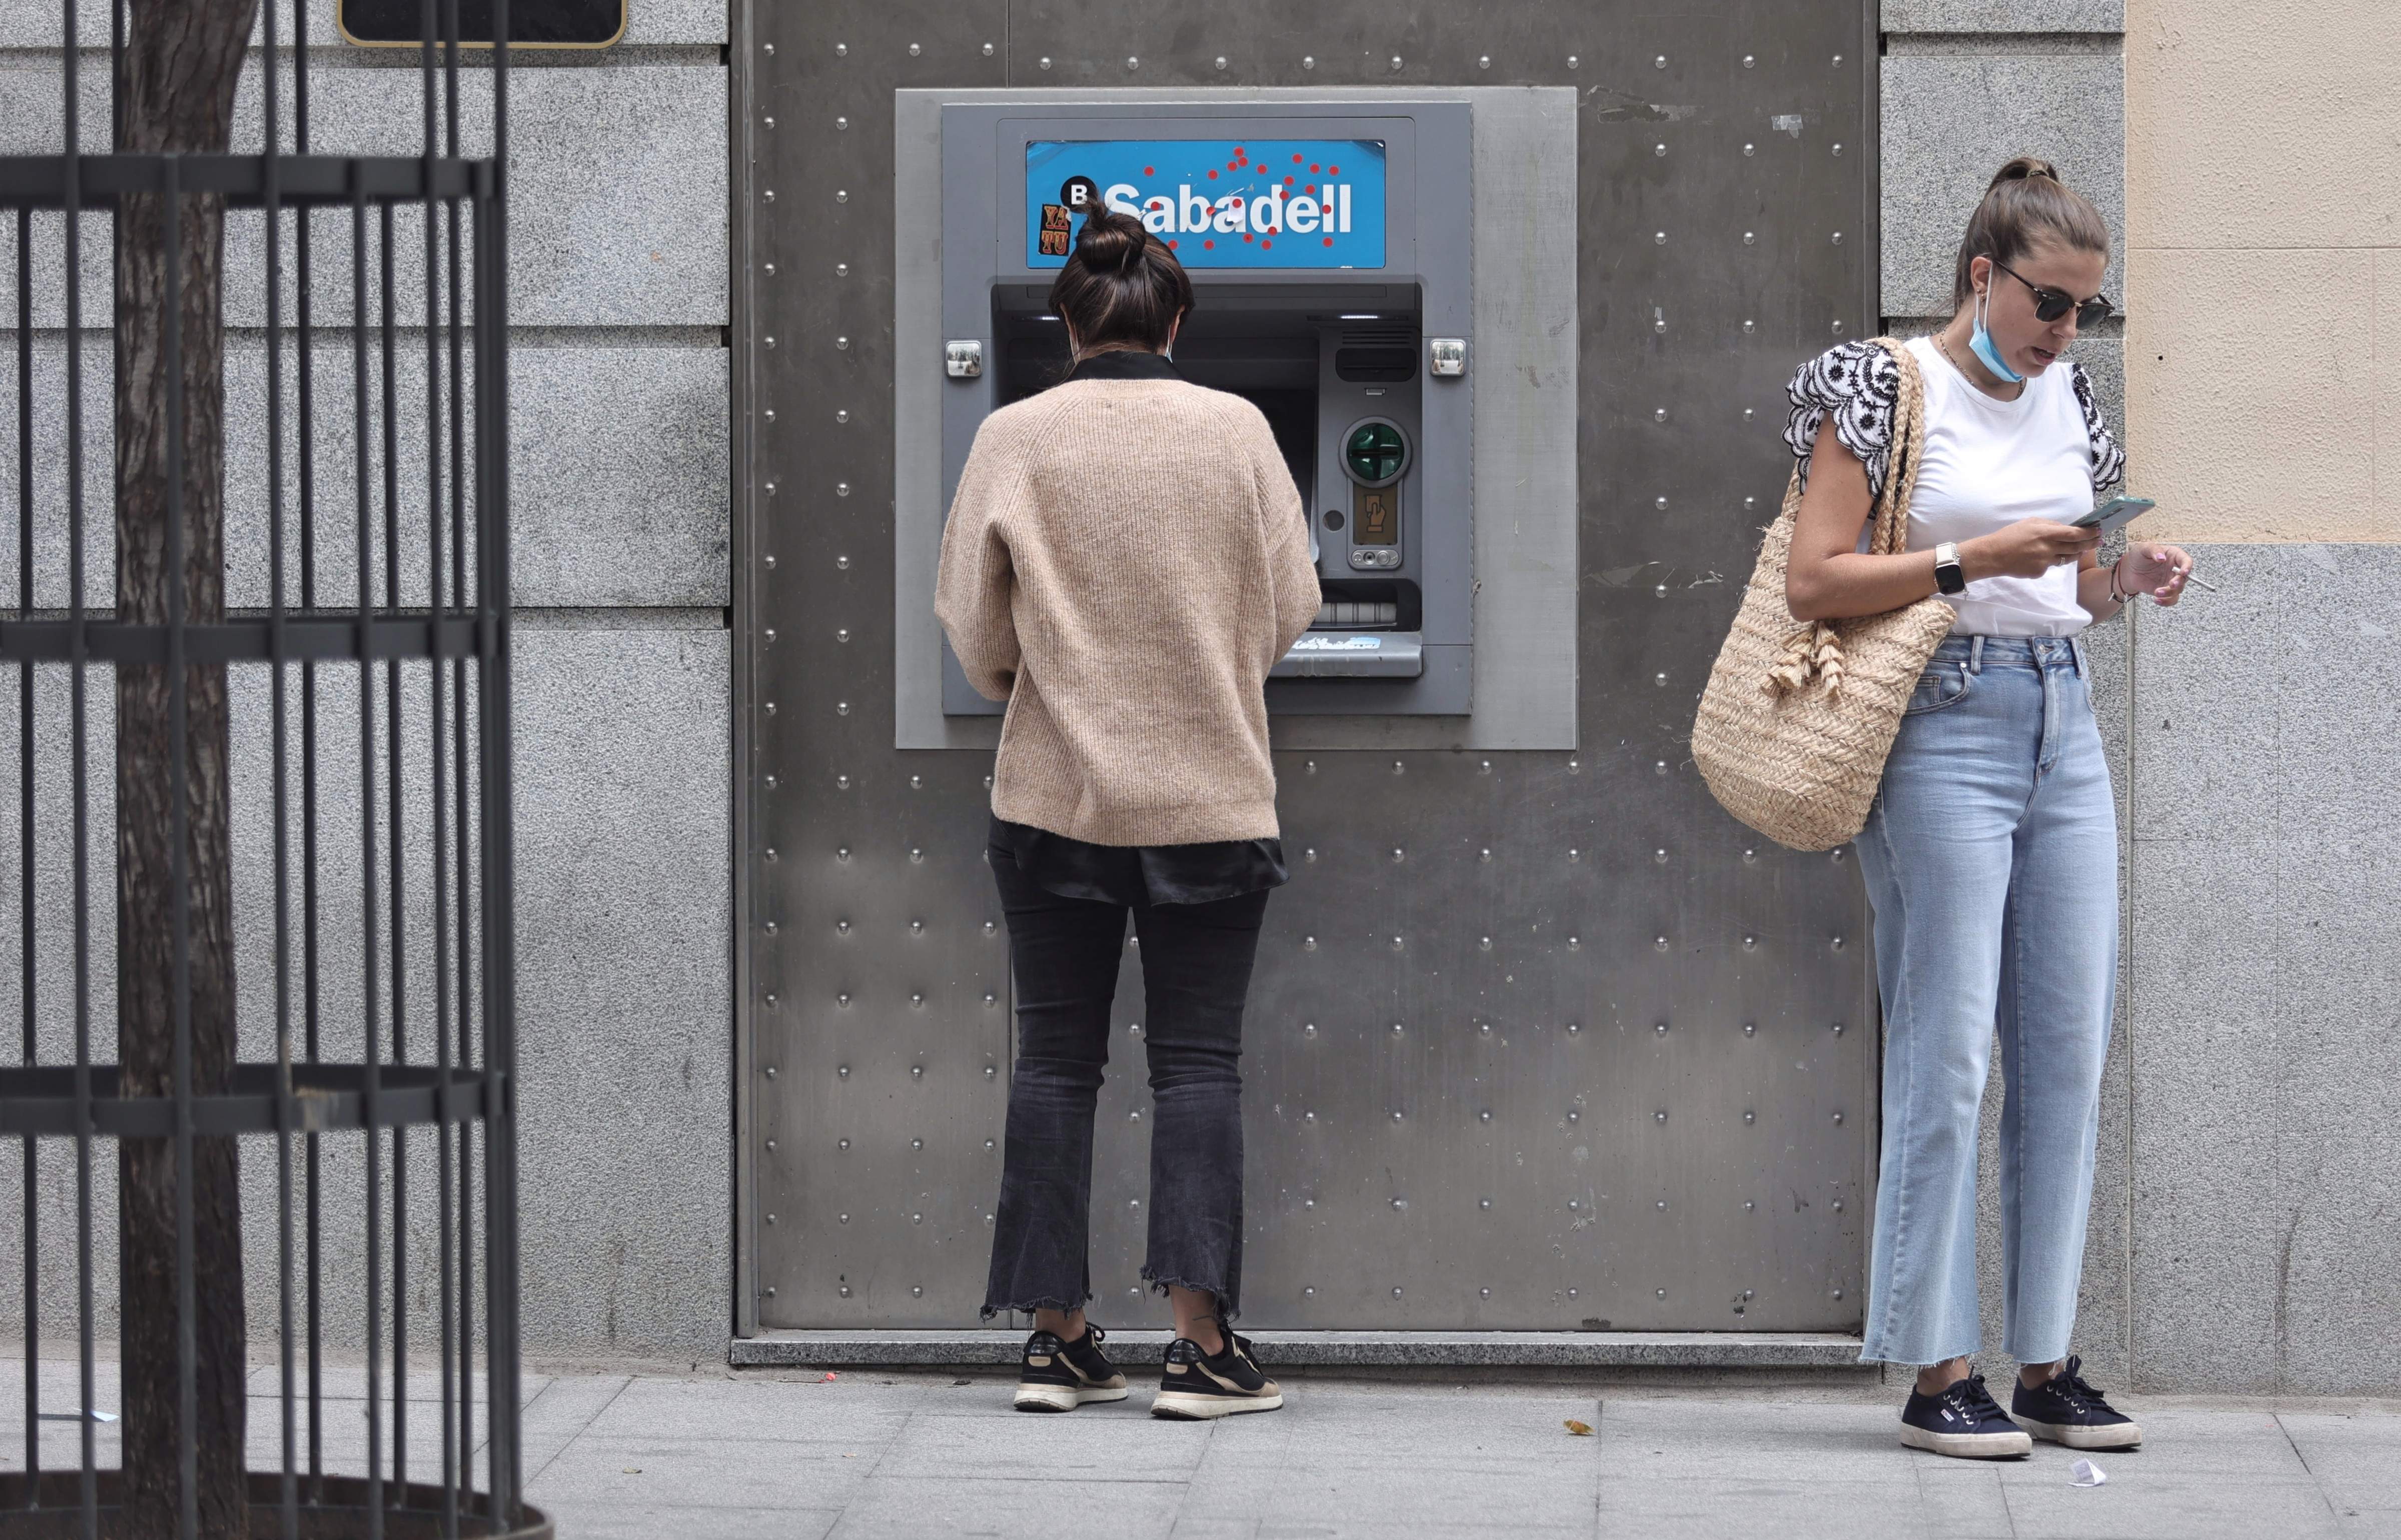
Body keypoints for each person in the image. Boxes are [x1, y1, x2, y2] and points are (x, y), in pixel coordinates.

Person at [1782, 158, 2190, 1458]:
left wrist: (2126, 580)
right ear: (1981, 275)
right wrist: (1971, 557)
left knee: (2066, 1051)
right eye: (2050, 303)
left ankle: (2048, 1360)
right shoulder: (1881, 385)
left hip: (2062, 721)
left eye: (2087, 311)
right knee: (1950, 1052)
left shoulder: (2069, 398)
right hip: (1936, 726)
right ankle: (1935, 1368)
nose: (2069, 332)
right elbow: (1815, 580)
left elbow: (2066, 593)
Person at [935, 208, 1321, 1419]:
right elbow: (1292, 602)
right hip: (1211, 791)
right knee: (1197, 1063)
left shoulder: (1014, 435)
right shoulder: (1240, 429)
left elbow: (973, 626)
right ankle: (1202, 1350)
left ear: (1065, 324)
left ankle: (1056, 1340)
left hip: (1051, 795)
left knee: (1057, 1061)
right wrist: (1208, 672)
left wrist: (1040, 687)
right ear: (1180, 321)